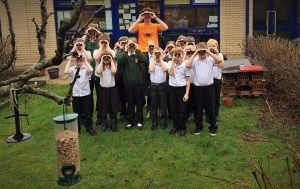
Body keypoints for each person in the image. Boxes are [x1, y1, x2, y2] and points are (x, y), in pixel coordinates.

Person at [186, 42, 224, 136]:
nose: (202, 53)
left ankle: (213, 127)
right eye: (200, 52)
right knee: (198, 108)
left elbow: (219, 60)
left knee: (211, 108)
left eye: (203, 51)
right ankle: (199, 126)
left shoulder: (210, 60)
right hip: (198, 88)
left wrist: (208, 51)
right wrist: (195, 53)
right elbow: (187, 65)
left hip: (209, 88)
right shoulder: (194, 60)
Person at [64, 45, 96, 136]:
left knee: (87, 112)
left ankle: (89, 128)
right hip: (76, 94)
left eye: (80, 61)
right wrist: (71, 60)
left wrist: (84, 60)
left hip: (86, 94)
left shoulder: (85, 69)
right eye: (77, 60)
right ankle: (77, 129)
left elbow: (91, 69)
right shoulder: (72, 69)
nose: (79, 62)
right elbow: (66, 72)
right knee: (76, 113)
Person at [116, 37, 148, 129]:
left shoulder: (137, 54)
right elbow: (120, 60)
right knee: (129, 103)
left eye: (132, 44)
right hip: (128, 83)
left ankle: (139, 120)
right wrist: (126, 50)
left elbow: (145, 60)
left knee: (138, 102)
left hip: (138, 82)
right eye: (130, 44)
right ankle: (130, 120)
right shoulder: (125, 54)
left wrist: (137, 49)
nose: (131, 45)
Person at [167, 47, 191, 136]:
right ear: (172, 56)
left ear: (182, 55)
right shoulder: (170, 63)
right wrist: (173, 61)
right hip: (172, 88)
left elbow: (188, 79)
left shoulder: (185, 64)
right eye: (175, 55)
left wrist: (187, 93)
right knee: (174, 109)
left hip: (182, 89)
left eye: (179, 54)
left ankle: (182, 127)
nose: (177, 56)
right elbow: (171, 73)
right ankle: (175, 126)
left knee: (182, 109)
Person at [93, 33, 116, 125]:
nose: (103, 43)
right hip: (99, 77)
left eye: (105, 42)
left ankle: (112, 117)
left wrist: (107, 46)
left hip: (110, 78)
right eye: (101, 42)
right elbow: (96, 57)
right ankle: (101, 117)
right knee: (100, 98)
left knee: (110, 98)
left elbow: (114, 56)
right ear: (98, 42)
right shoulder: (96, 50)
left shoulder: (111, 50)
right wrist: (101, 47)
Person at [95, 51, 120, 132]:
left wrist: (111, 60)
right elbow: (98, 72)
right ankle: (104, 122)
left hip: (112, 89)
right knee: (104, 106)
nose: (106, 58)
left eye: (108, 57)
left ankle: (113, 122)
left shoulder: (113, 64)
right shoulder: (100, 66)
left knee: (112, 105)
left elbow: (113, 71)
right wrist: (102, 60)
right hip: (103, 89)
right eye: (104, 57)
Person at [82, 24, 101, 121]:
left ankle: (99, 114)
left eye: (94, 31)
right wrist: (87, 32)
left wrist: (97, 32)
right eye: (91, 32)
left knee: (99, 94)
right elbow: (80, 42)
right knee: (88, 94)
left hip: (98, 72)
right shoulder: (85, 41)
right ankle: (88, 112)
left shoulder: (100, 40)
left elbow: (103, 39)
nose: (92, 33)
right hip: (87, 72)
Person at [149, 47, 168, 130]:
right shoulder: (151, 62)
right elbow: (151, 70)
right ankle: (154, 122)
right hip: (153, 85)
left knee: (163, 104)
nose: (157, 55)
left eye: (159, 53)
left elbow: (165, 69)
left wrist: (160, 58)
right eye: (155, 53)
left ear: (163, 55)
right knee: (154, 105)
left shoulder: (165, 63)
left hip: (162, 85)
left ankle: (163, 121)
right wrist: (154, 59)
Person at [207, 39, 224, 121]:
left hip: (216, 80)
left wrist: (216, 53)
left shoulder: (220, 55)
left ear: (217, 47)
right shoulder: (205, 55)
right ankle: (208, 115)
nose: (211, 47)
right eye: (209, 46)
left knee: (216, 98)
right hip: (207, 80)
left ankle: (216, 115)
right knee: (208, 99)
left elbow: (221, 65)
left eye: (213, 46)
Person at [115, 36, 129, 118]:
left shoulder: (131, 50)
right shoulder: (118, 52)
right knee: (121, 95)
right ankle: (123, 111)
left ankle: (130, 111)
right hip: (120, 77)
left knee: (129, 95)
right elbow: (119, 60)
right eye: (122, 43)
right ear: (119, 44)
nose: (124, 45)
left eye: (125, 43)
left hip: (128, 76)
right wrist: (124, 50)